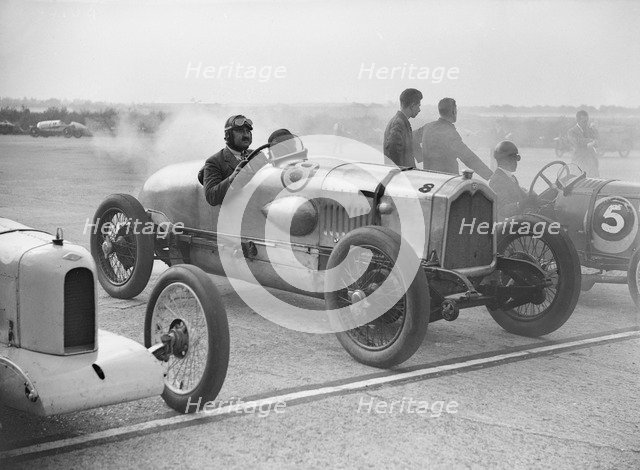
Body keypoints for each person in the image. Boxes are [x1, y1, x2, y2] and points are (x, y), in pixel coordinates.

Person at [421, 98, 493, 179]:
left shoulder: (427, 127)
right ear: (453, 111)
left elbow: (411, 139)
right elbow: (468, 157)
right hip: (447, 180)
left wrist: (423, 157)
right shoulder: (449, 133)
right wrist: (489, 175)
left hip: (428, 178)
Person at [199, 115, 254, 206]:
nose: (245, 135)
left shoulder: (257, 155)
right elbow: (211, 197)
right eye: (240, 131)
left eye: (247, 131)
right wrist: (232, 178)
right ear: (228, 135)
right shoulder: (214, 161)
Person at [488, 140, 538, 219]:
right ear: (504, 160)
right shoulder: (497, 180)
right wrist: (523, 203)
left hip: (517, 219)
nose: (516, 162)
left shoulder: (510, 177)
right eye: (513, 158)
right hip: (509, 226)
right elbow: (503, 210)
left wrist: (531, 196)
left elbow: (522, 195)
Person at [383, 88, 423, 167]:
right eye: (418, 106)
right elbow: (393, 152)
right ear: (412, 105)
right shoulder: (399, 124)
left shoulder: (400, 121)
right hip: (402, 176)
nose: (419, 110)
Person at [567, 110, 599, 177]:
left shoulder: (590, 130)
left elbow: (597, 142)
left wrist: (594, 142)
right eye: (584, 122)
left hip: (591, 162)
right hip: (578, 162)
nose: (586, 123)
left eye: (587, 121)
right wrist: (590, 141)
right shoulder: (571, 132)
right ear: (578, 121)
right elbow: (576, 142)